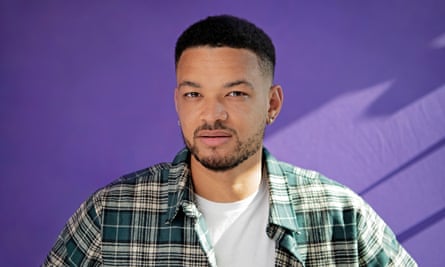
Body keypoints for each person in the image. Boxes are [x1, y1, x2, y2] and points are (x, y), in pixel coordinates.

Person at [43, 15, 417, 267]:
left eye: (235, 94)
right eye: (194, 95)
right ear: (177, 103)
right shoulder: (111, 213)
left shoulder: (340, 216)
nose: (212, 115)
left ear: (271, 103)